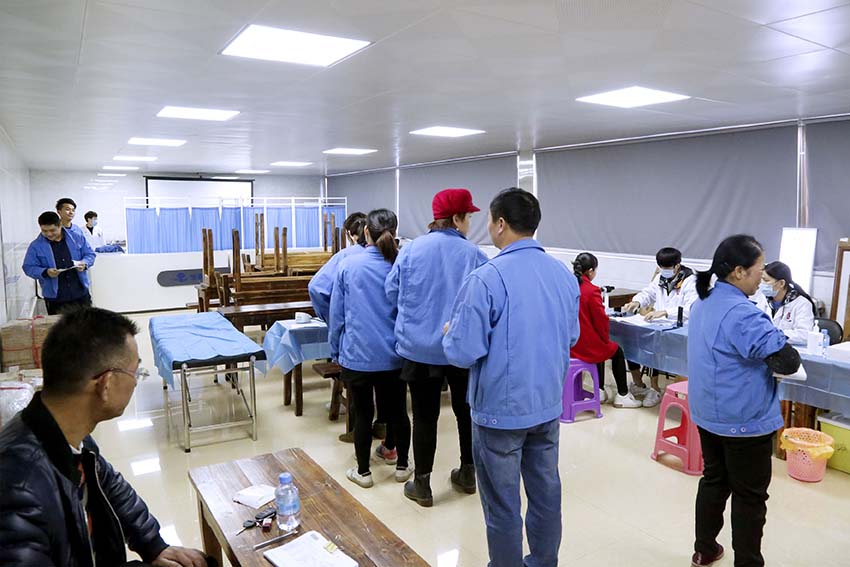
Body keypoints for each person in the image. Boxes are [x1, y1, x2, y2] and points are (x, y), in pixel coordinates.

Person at [0, 307, 212, 567]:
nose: (136, 382)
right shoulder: (18, 486)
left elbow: (110, 486)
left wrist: (154, 545)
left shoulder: (65, 432)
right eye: (135, 373)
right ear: (106, 383)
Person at [443, 188, 580, 567]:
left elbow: (463, 352)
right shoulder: (562, 275)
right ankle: (544, 561)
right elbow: (571, 336)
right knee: (546, 493)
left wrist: (450, 332)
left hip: (499, 414)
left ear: (500, 223)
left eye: (489, 219)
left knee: (502, 505)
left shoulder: (486, 279)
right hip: (546, 404)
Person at [688, 235, 801, 567]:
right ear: (738, 271)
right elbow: (787, 361)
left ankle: (704, 549)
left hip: (709, 413)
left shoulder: (703, 303)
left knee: (714, 480)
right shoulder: (742, 313)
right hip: (743, 420)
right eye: (759, 269)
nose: (761, 277)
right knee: (749, 497)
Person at [385, 188, 489, 507]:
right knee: (465, 412)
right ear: (457, 218)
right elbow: (486, 299)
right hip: (461, 348)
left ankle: (422, 484)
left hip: (419, 349)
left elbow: (391, 292)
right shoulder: (473, 254)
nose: (470, 223)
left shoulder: (411, 250)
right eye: (468, 216)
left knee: (425, 416)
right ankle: (468, 473)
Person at [329, 209, 412, 488]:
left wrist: (335, 349)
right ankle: (402, 467)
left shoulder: (348, 265)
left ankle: (363, 472)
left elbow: (337, 314)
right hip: (394, 355)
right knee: (398, 411)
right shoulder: (401, 264)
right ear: (394, 231)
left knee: (363, 413)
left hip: (358, 355)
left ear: (366, 231)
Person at [621, 246, 698, 407]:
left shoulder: (691, 281)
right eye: (661, 267)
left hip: (681, 329)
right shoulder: (660, 278)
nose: (664, 271)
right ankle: (643, 385)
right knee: (633, 340)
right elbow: (648, 293)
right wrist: (637, 302)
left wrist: (665, 312)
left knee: (656, 346)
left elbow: (691, 308)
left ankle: (656, 388)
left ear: (677, 265)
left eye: (667, 268)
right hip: (660, 326)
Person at [570, 252, 642, 408]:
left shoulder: (567, 286)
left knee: (602, 349)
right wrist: (604, 339)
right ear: (591, 271)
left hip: (571, 343)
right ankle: (622, 395)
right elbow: (601, 320)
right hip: (585, 345)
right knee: (616, 350)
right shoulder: (592, 290)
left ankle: (600, 390)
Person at [23, 211, 96, 315]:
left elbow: (90, 254)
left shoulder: (76, 237)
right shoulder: (36, 246)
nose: (49, 234)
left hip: (80, 294)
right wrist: (45, 272)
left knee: (85, 323)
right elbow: (28, 267)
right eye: (44, 231)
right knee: (59, 325)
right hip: (56, 299)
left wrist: (84, 263)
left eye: (52, 230)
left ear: (60, 225)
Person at [760, 261, 817, 345]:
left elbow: (804, 335)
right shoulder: (762, 299)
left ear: (781, 283)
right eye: (761, 279)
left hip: (790, 349)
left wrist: (774, 335)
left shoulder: (801, 304)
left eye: (766, 280)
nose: (761, 283)